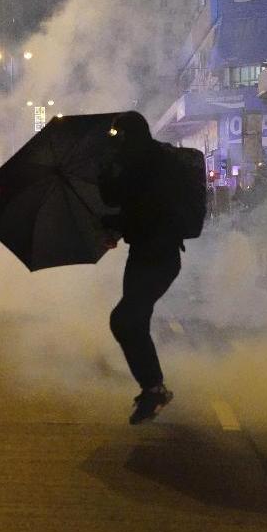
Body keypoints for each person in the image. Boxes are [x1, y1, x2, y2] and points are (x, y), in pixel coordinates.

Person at [99, 111, 183, 425]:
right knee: (135, 321)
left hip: (158, 256)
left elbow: (142, 210)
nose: (115, 142)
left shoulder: (147, 165)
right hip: (145, 254)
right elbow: (121, 201)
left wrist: (114, 223)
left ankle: (154, 388)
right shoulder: (139, 161)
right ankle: (153, 388)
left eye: (117, 136)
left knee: (123, 320)